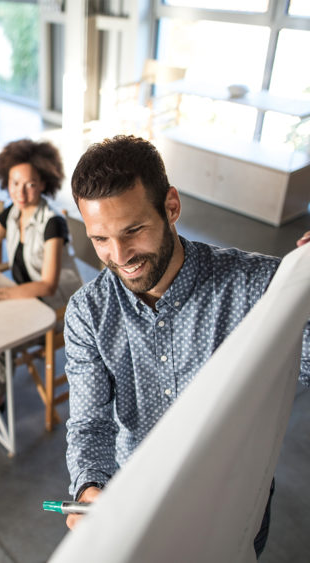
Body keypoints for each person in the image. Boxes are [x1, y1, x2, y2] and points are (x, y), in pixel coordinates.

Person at [63, 135, 310, 556]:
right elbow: (90, 425)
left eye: (134, 230)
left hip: (234, 504)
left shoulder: (256, 287)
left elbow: (304, 364)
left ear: (171, 206)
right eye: (100, 239)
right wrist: (89, 488)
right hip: (138, 503)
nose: (120, 255)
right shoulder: (88, 312)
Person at [0, 139, 81, 425]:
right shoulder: (11, 212)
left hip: (57, 308)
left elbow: (47, 285)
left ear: (44, 184)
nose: (20, 192)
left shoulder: (52, 223)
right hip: (28, 297)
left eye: (30, 184)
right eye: (14, 183)